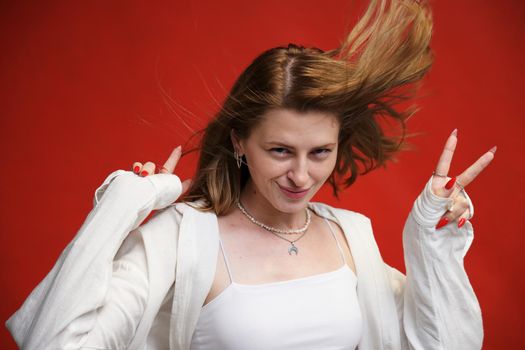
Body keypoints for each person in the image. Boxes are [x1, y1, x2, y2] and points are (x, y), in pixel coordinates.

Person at [6, 0, 494, 349]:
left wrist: (429, 239)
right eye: (280, 150)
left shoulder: (350, 238)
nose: (302, 176)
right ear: (240, 141)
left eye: (320, 152)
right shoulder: (182, 240)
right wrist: (126, 201)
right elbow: (51, 342)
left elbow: (447, 343)